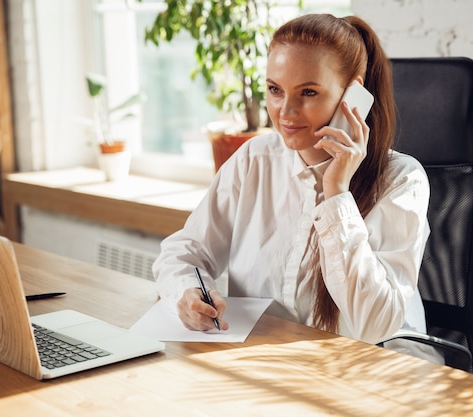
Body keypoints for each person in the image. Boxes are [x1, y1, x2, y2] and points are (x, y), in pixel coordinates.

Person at [152, 14, 440, 361]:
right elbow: (184, 252)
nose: (285, 111)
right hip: (272, 359)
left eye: (308, 92)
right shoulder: (255, 159)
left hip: (377, 367)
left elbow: (373, 325)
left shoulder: (401, 179)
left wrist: (337, 192)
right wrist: (187, 292)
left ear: (354, 94)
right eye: (275, 89)